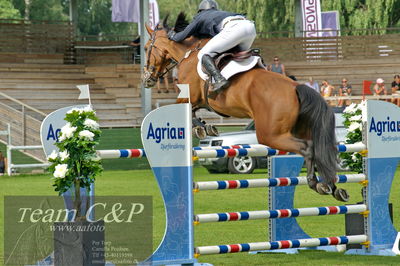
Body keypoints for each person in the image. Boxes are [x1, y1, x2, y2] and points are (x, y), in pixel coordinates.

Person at [168, 0, 256, 95]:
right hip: (250, 27)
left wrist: (172, 35)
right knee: (237, 55)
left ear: (201, 10)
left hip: (234, 28)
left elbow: (182, 36)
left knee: (203, 54)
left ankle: (219, 79)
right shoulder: (220, 14)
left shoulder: (200, 16)